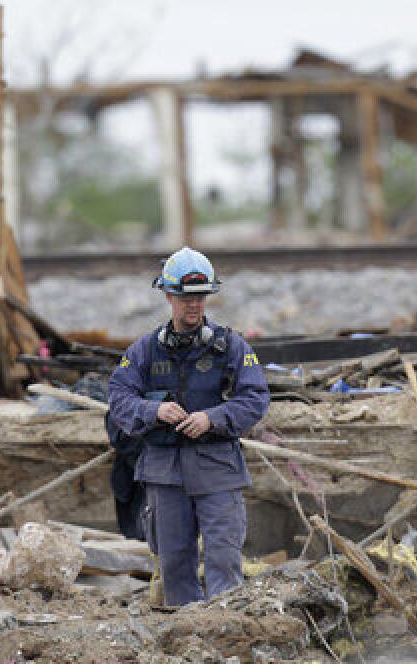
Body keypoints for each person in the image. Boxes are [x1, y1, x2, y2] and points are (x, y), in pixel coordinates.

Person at [106, 247, 269, 606]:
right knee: (175, 563)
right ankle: (185, 638)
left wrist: (213, 418)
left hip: (217, 471)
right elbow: (118, 397)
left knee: (224, 561)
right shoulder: (145, 351)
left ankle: (225, 633)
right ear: (168, 295)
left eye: (200, 296)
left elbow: (256, 397)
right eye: (184, 296)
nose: (193, 305)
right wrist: (153, 411)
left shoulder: (232, 348)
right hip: (166, 476)